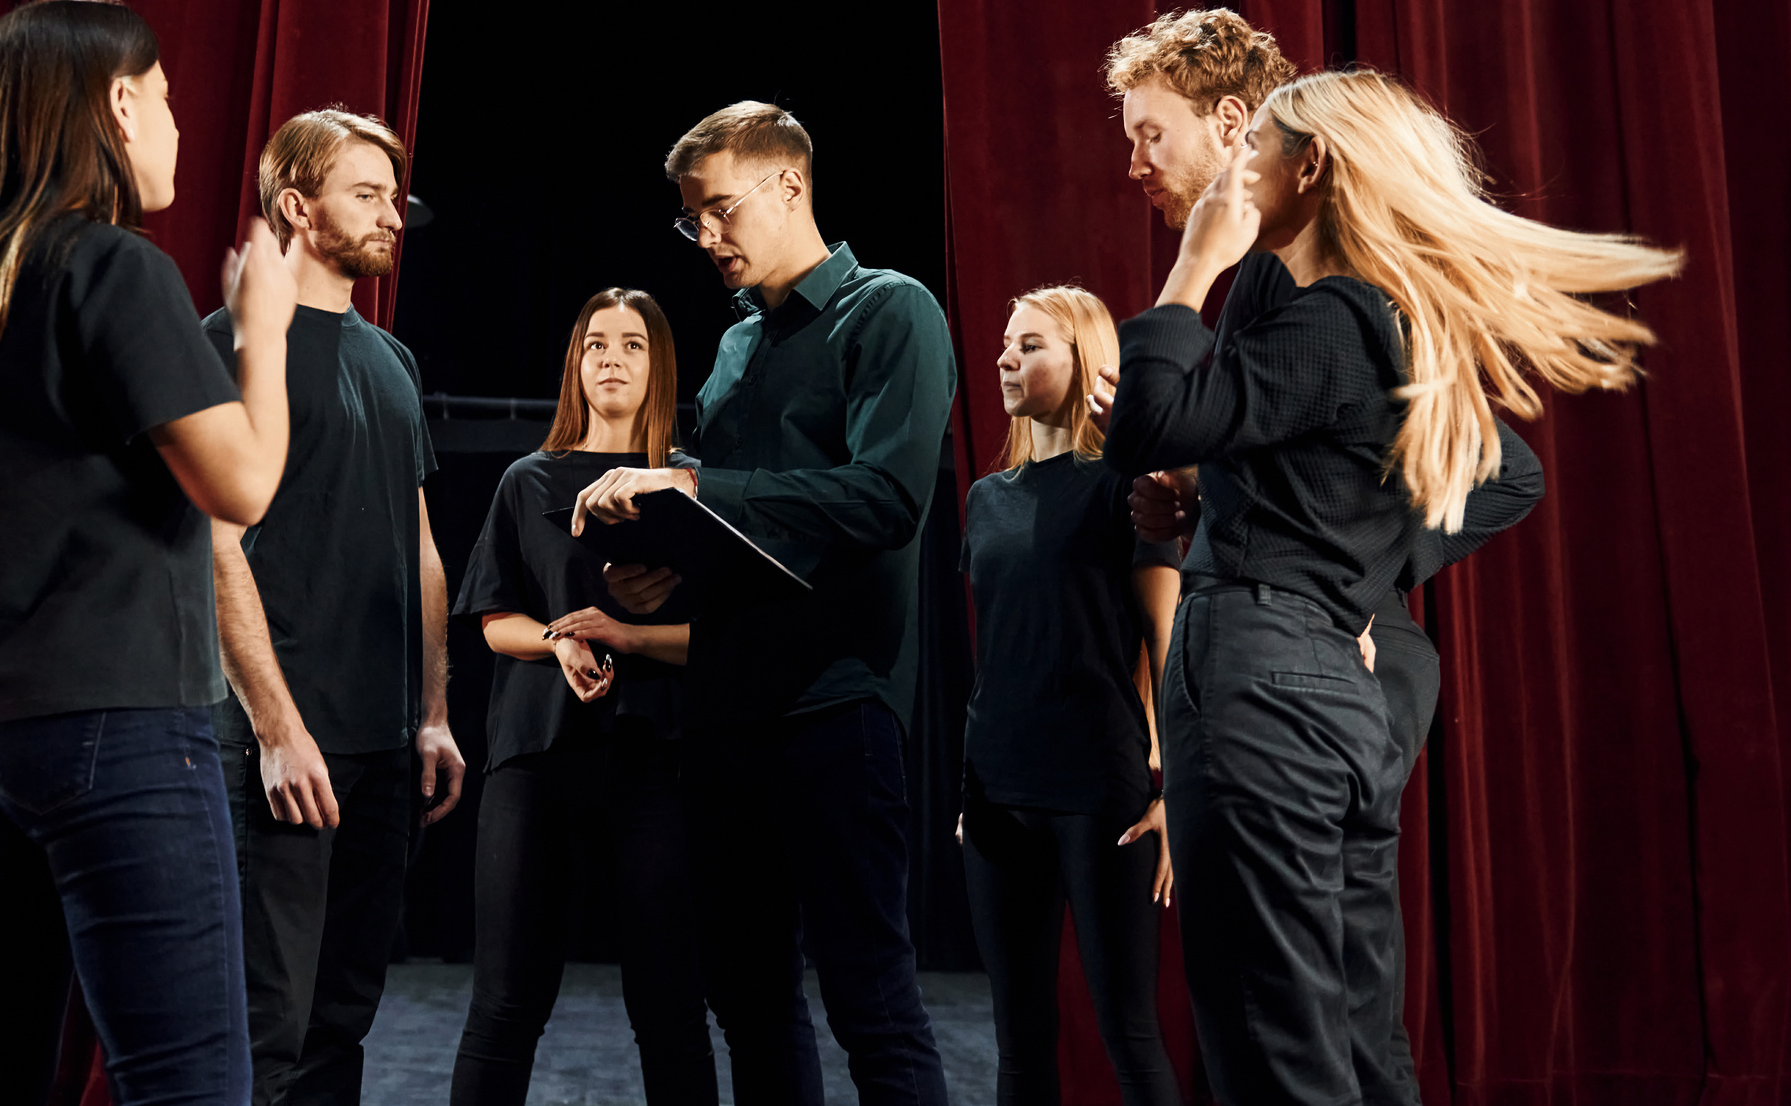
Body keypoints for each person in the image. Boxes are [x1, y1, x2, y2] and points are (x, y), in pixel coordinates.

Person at [1101, 67, 1680, 1104]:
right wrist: (1330, 568)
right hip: (1330, 687)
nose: (1235, 169)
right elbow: (1492, 475)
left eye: (1257, 145)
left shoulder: (1321, 318)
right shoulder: (1380, 322)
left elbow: (1144, 424)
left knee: (1270, 1045)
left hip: (1262, 681)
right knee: (1358, 1044)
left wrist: (1190, 267)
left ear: (1308, 167)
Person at [0, 0, 299, 1106]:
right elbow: (243, 485)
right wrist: (261, 328)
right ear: (118, 103)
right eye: (163, 99)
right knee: (188, 1084)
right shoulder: (112, 268)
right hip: (108, 727)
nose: (174, 124)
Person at [574, 102, 958, 1106]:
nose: (704, 236)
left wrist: (696, 490)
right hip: (721, 710)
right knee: (745, 999)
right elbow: (734, 532)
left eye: (716, 209)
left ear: (788, 185)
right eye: (689, 218)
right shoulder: (738, 344)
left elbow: (888, 496)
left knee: (870, 1001)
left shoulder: (890, 310)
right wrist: (652, 564)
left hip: (836, 704)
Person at [204, 107, 460, 1106]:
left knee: (339, 1024)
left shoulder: (391, 360)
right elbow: (209, 543)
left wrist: (431, 712)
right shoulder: (230, 341)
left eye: (393, 196)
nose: (392, 214)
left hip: (382, 744)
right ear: (296, 206)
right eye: (366, 193)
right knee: (264, 1027)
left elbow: (423, 548)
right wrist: (273, 728)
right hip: (279, 743)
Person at [447, 287, 716, 1105]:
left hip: (656, 763)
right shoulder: (528, 480)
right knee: (504, 1002)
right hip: (535, 759)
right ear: (576, 363)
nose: (610, 357)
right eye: (596, 343)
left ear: (658, 365)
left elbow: (724, 639)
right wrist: (561, 637)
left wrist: (626, 637)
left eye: (632, 344)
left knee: (670, 1006)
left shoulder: (693, 487)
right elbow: (494, 620)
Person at [959, 285, 1182, 1106]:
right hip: (996, 795)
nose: (1004, 358)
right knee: (1019, 1041)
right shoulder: (988, 499)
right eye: (1005, 345)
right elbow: (1000, 656)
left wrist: (1174, 789)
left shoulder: (1125, 483)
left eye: (1030, 345)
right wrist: (971, 787)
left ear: (1084, 358)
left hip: (1102, 791)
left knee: (1128, 1031)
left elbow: (1168, 643)